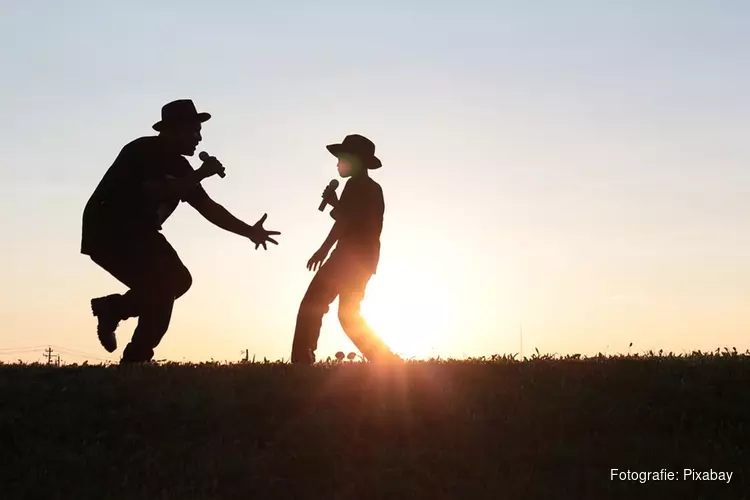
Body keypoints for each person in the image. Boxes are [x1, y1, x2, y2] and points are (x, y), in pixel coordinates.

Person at [81, 99, 280, 363]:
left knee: (176, 283)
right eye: (193, 131)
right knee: (164, 287)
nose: (198, 138)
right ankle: (135, 357)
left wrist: (249, 231)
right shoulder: (142, 150)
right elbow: (155, 190)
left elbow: (208, 208)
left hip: (141, 232)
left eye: (199, 132)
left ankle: (114, 310)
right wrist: (200, 174)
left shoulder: (181, 167)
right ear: (173, 130)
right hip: (109, 230)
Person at [291, 134, 399, 364]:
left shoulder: (358, 186)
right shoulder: (367, 187)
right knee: (347, 315)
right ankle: (386, 360)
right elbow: (350, 218)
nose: (338, 163)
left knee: (313, 305)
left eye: (342, 157)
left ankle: (302, 360)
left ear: (356, 160)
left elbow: (346, 223)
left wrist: (322, 250)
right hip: (363, 260)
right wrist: (335, 204)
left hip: (348, 259)